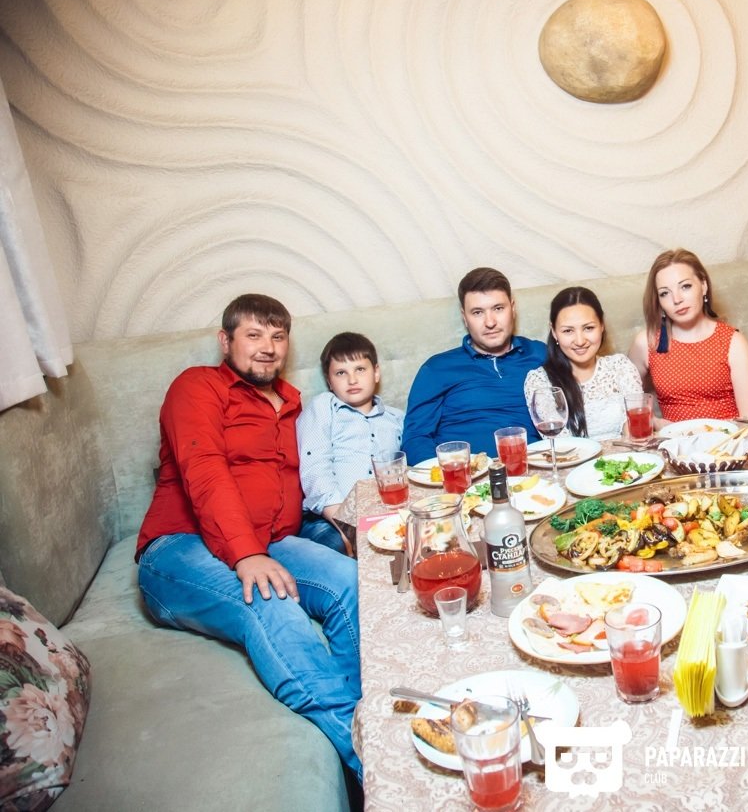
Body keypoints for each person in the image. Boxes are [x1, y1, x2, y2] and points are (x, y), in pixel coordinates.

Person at [134, 294, 362, 779]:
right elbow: (204, 471)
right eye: (254, 335)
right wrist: (246, 555)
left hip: (273, 541)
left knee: (352, 581)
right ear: (226, 341)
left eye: (278, 337)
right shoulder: (197, 386)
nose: (268, 347)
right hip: (180, 547)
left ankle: (369, 709)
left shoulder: (293, 404)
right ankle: (368, 755)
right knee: (270, 602)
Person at [403, 268, 547, 463]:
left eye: (498, 308)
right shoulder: (437, 368)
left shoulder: (540, 354)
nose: (490, 322)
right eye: (478, 312)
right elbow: (415, 439)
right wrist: (447, 473)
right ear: (465, 317)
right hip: (464, 473)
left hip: (533, 467)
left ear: (512, 308)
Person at [627, 249, 748, 422]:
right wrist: (656, 423)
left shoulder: (734, 343)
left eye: (685, 286)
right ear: (659, 301)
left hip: (728, 437)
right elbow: (624, 402)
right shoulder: (647, 342)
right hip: (672, 439)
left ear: (703, 286)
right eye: (665, 293)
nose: (677, 299)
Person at [297, 332, 404, 552]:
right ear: (329, 381)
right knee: (338, 548)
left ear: (376, 373)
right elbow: (315, 469)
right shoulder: (324, 407)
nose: (352, 380)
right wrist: (346, 524)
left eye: (360, 369)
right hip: (329, 518)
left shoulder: (396, 419)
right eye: (341, 373)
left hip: (382, 514)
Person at [524, 286, 643, 439]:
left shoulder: (620, 366)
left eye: (588, 328)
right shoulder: (539, 381)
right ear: (554, 332)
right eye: (568, 331)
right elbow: (559, 444)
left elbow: (635, 428)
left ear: (602, 325)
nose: (580, 341)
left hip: (627, 453)